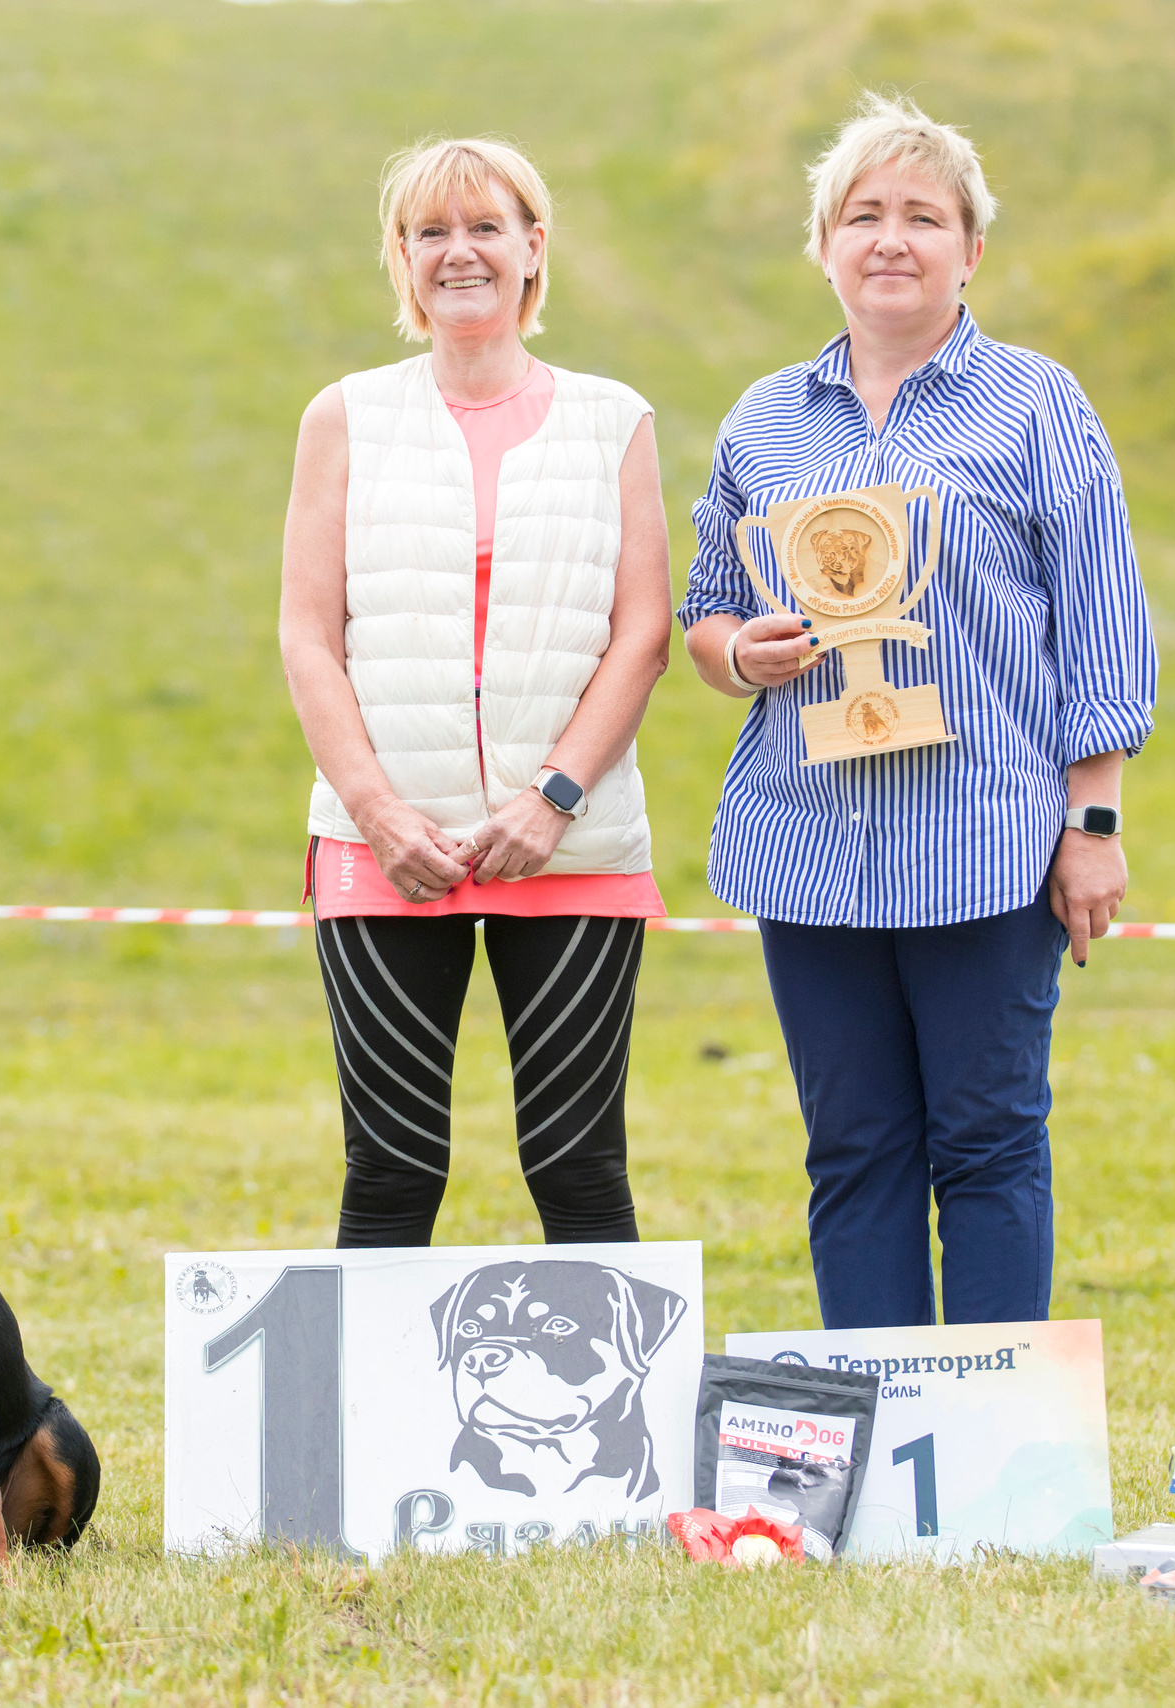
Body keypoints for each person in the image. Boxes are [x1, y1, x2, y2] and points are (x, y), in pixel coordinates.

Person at [676, 94, 1157, 1328]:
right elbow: (706, 616)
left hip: (988, 844)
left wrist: (1090, 823)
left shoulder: (1038, 403)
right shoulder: (762, 420)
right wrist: (747, 652)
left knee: (989, 1145)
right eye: (864, 214)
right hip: (810, 848)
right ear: (825, 244)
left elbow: (1100, 620)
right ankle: (881, 1454)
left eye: (923, 217)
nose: (892, 238)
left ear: (971, 250)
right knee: (852, 1153)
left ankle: (996, 1451)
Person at [280, 137, 672, 1249]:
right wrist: (380, 815)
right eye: (430, 232)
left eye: (486, 226)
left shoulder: (614, 419)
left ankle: (619, 1428)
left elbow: (641, 631)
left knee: (578, 1163)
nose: (460, 252)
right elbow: (308, 632)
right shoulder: (344, 416)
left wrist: (552, 798)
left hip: (576, 848)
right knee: (393, 1167)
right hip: (383, 852)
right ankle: (365, 1427)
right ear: (400, 259)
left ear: (533, 247)